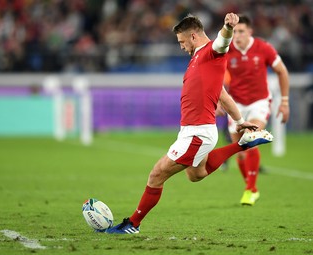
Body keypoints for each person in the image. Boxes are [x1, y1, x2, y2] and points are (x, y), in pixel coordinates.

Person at [105, 13, 273, 234]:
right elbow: (222, 94)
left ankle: (133, 224)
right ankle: (243, 144)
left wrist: (228, 27)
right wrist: (240, 121)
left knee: (157, 174)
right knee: (196, 174)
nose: (181, 47)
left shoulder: (211, 52)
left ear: (193, 36)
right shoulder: (197, 59)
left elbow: (223, 42)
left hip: (198, 132)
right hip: (193, 131)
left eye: (182, 42)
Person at [223, 14, 290, 206]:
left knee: (252, 137)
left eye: (241, 31)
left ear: (250, 32)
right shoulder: (227, 49)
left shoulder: (263, 48)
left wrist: (284, 101)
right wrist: (219, 100)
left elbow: (282, 71)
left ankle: (249, 189)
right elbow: (217, 74)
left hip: (258, 102)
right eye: (234, 31)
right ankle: (251, 187)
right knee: (240, 151)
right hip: (235, 104)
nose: (237, 35)